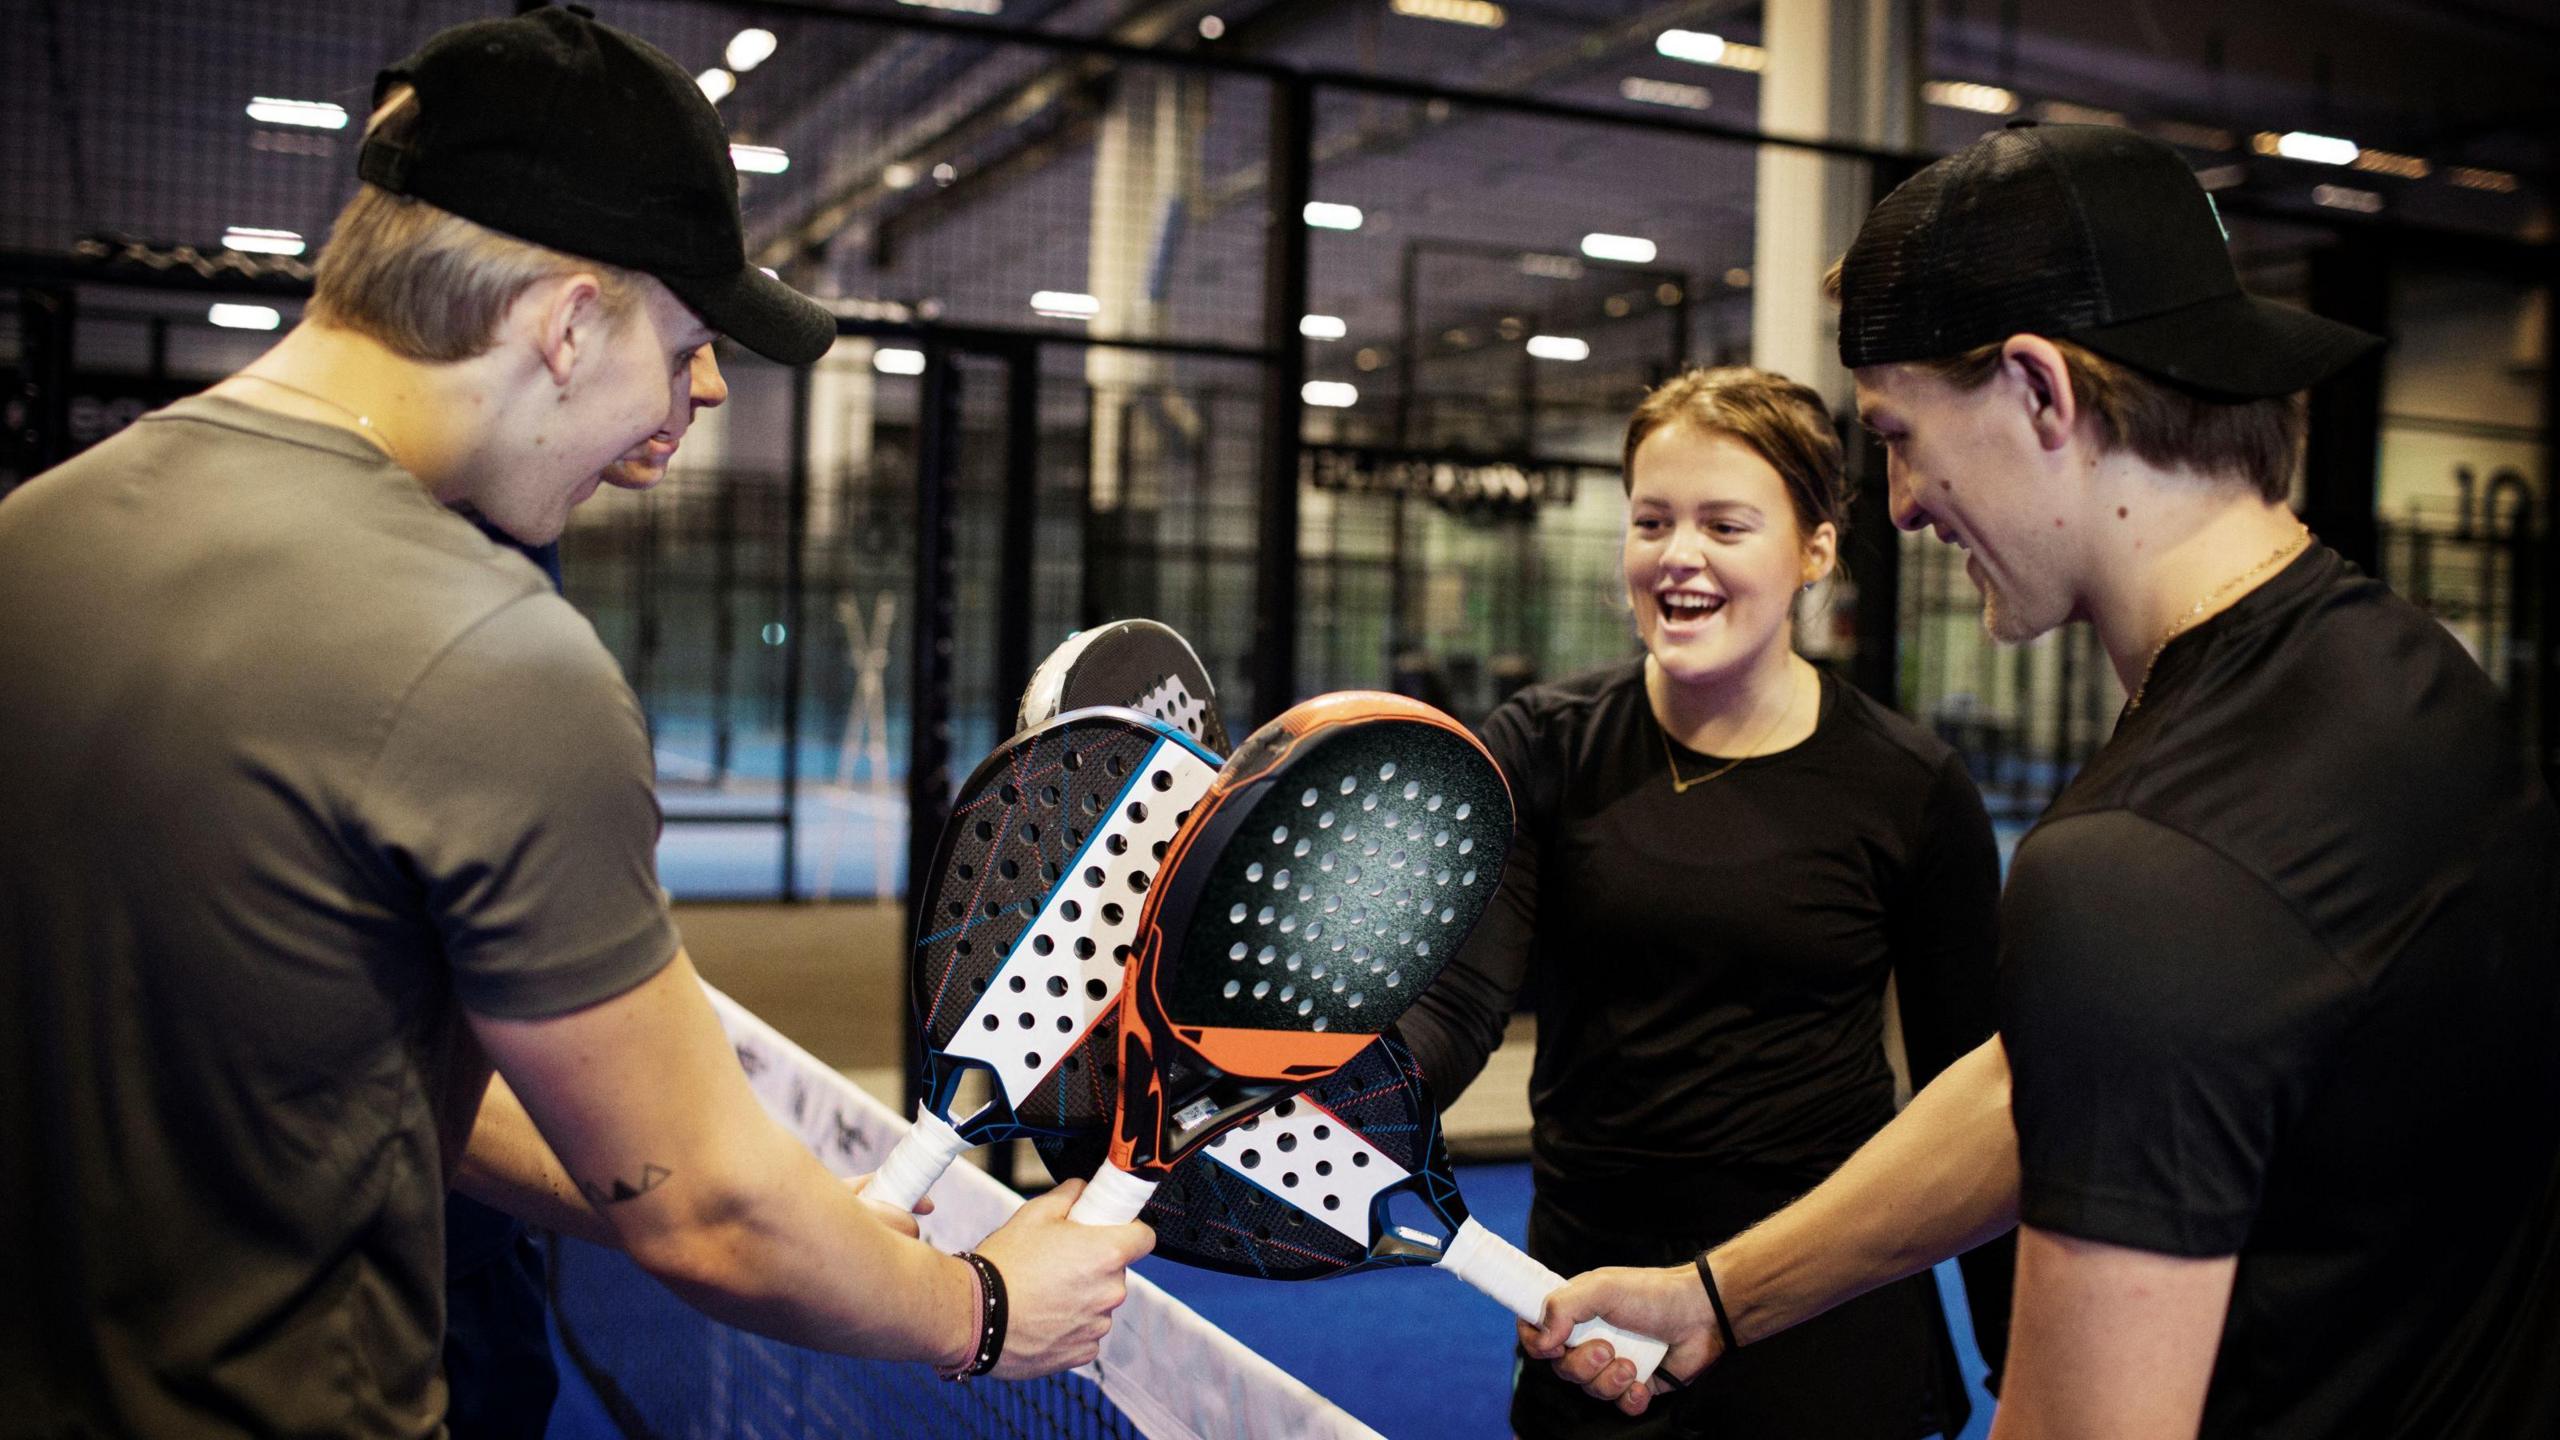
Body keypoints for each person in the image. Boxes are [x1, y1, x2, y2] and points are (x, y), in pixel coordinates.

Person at [0, 11, 1149, 1437]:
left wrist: (772, 1212)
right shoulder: (488, 652)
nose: (709, 388)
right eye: (686, 338)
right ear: (563, 322)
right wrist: (984, 1308)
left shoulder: (36, 539)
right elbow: (714, 1218)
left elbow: (338, 1071)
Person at [1530, 123, 2560, 1439]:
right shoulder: (2415, 684)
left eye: (1902, 435)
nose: (1901, 504)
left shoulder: (2150, 873)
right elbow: (2054, 1079)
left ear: (2039, 391)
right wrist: (1725, 1296)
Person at [1400, 365, 2012, 1438]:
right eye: (1651, 521)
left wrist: (2022, 1349)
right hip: (1594, 1314)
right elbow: (1455, 1007)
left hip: (1823, 1310)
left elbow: (1984, 1088)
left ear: (1814, 550)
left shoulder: (1909, 787)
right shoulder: (1539, 748)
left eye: (1725, 525)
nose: (1678, 556)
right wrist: (1323, 1082)